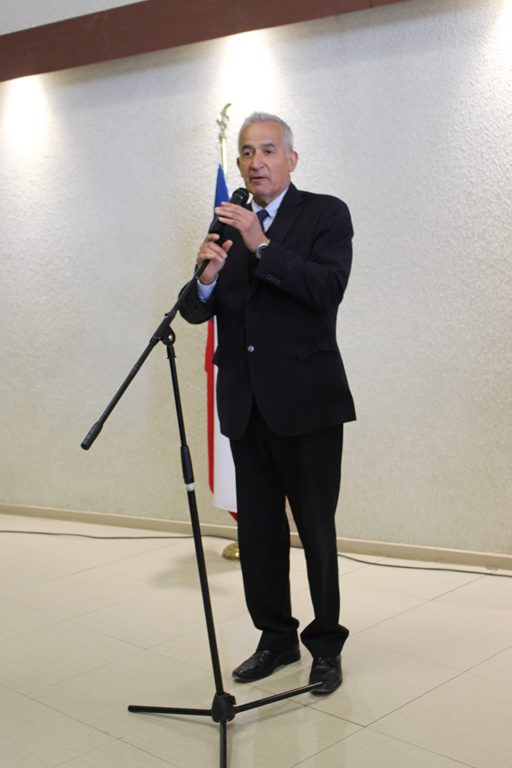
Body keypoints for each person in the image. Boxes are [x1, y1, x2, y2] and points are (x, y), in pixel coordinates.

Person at [180, 112, 355, 694]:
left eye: (269, 150)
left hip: (307, 404)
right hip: (246, 403)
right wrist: (207, 276)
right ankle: (276, 638)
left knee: (315, 529)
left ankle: (326, 645)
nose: (257, 162)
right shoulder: (227, 224)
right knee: (258, 534)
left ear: (291, 160)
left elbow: (326, 289)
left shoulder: (325, 214)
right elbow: (194, 310)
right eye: (248, 153)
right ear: (238, 164)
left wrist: (261, 244)